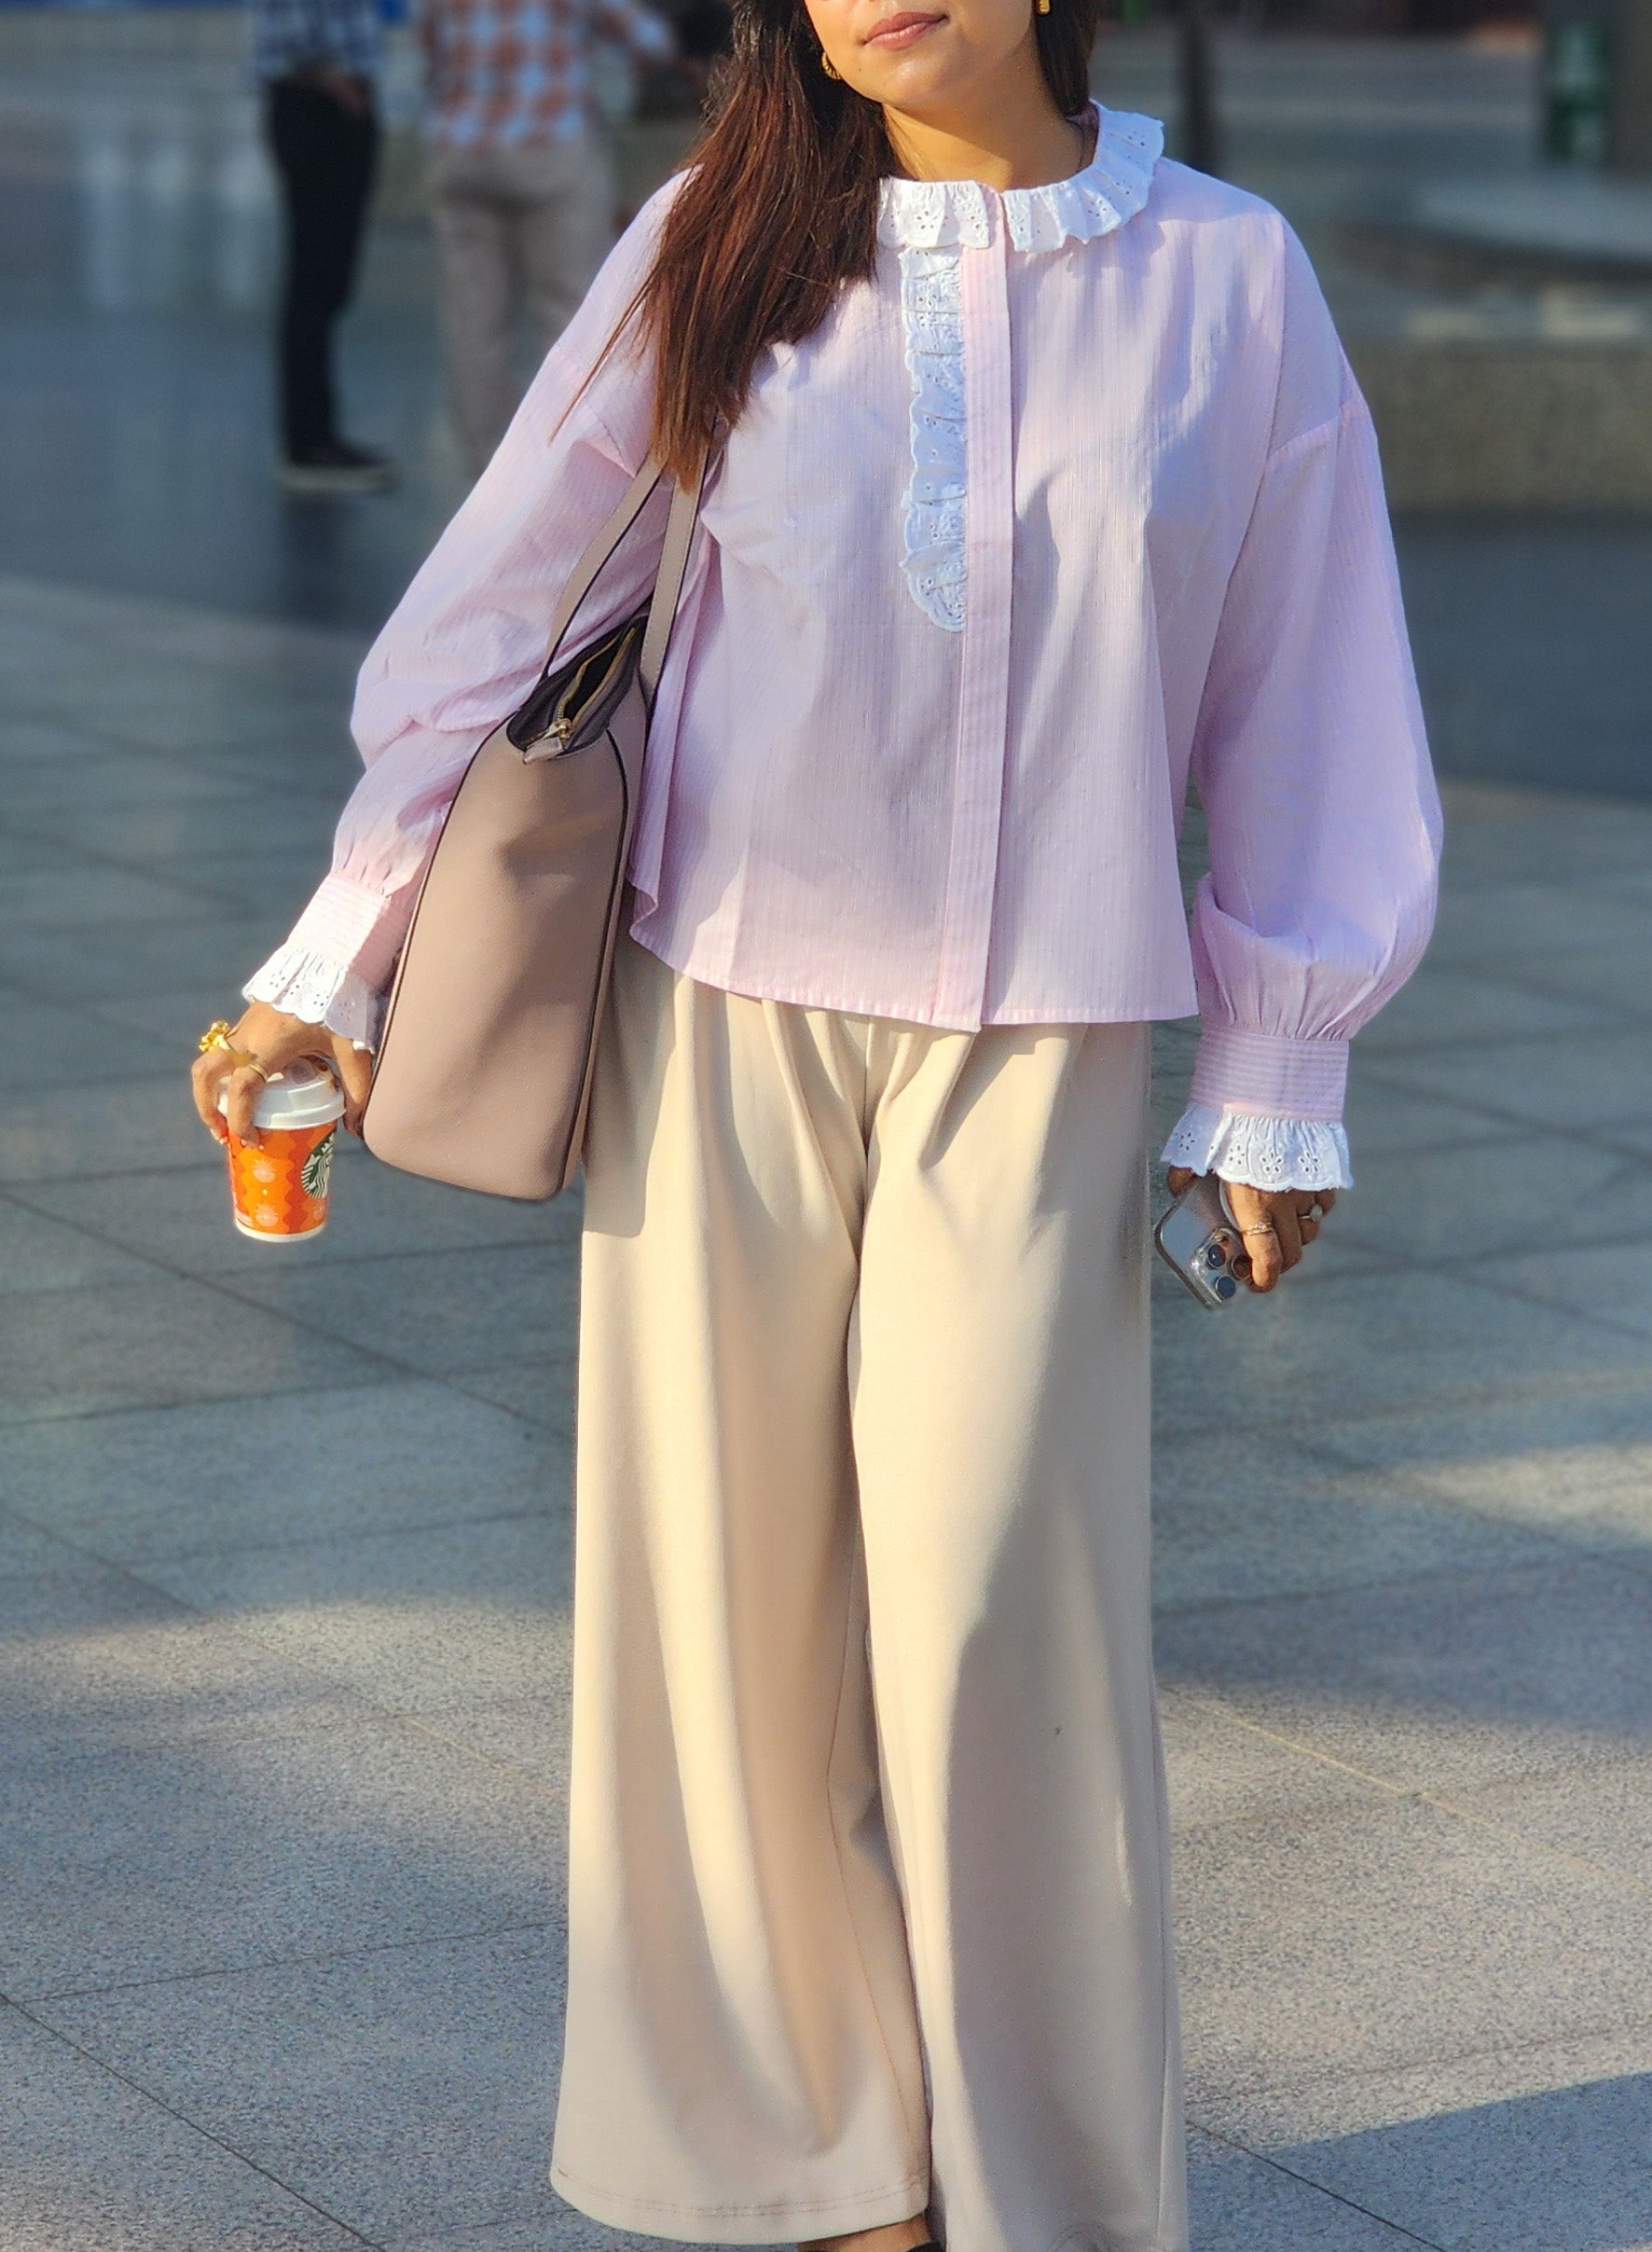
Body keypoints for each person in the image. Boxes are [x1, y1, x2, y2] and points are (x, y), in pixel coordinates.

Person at [191, 0, 1441, 2239]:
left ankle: (1045, 2193)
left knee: (1001, 1628)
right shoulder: (717, 235)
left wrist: (1275, 1073)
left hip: (1039, 1041)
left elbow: (1303, 678)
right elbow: (501, 610)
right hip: (715, 1016)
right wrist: (327, 960)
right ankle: (812, 2177)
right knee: (721, 1620)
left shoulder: (1222, 276)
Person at [419, 0, 676, 477]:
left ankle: (488, 465)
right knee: (573, 309)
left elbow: (429, 47)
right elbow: (647, 41)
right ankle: (564, 464)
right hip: (551, 147)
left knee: (473, 318)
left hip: (461, 150)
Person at [253, 0, 397, 492]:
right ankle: (308, 445)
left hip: (331, 101)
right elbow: (296, 29)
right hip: (318, 102)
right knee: (314, 280)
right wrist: (342, 85)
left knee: (326, 281)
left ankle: (318, 436)